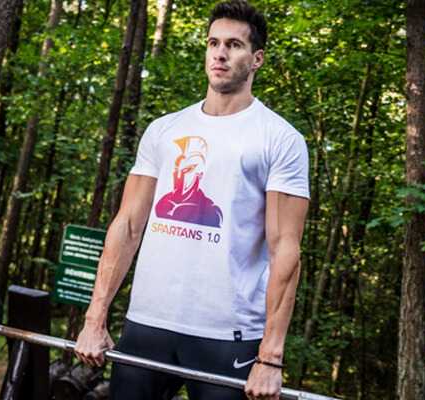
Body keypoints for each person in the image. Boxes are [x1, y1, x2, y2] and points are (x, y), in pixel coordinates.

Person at [74, 1, 309, 399]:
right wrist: (95, 317)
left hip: (228, 336)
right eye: (213, 43)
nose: (220, 53)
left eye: (234, 44)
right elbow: (127, 226)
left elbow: (285, 250)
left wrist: (270, 356)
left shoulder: (280, 139)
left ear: (257, 59)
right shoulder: (164, 130)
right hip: (147, 323)